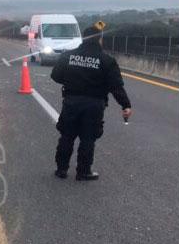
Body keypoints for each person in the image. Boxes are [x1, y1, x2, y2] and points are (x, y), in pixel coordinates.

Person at [49, 21, 133, 181]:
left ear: (83, 38)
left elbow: (55, 76)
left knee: (67, 136)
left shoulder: (68, 56)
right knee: (88, 138)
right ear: (100, 39)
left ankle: (61, 169)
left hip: (71, 101)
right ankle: (83, 171)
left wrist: (72, 82)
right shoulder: (107, 60)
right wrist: (125, 105)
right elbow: (116, 86)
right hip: (94, 105)